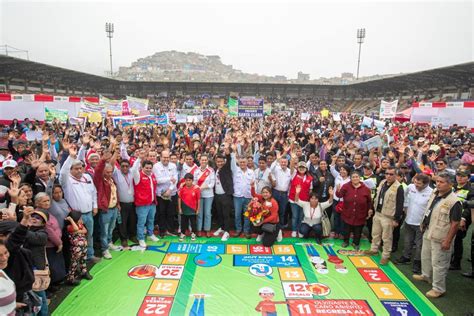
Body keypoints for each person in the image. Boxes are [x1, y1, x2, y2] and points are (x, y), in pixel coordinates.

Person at [413, 172, 462, 298]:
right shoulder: (435, 193)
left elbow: (455, 223)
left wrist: (448, 240)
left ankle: (438, 288)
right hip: (429, 230)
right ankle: (426, 275)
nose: (438, 184)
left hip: (441, 236)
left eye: (442, 182)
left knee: (439, 263)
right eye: (437, 181)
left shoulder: (454, 201)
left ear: (450, 184)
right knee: (426, 256)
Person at [59, 144, 100, 263]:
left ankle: (90, 255)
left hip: (89, 213)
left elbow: (93, 192)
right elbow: (62, 173)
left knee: (90, 235)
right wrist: (71, 157)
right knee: (77, 238)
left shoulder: (87, 177)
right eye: (75, 168)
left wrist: (95, 206)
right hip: (76, 216)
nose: (79, 170)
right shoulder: (67, 180)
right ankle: (79, 260)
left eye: (80, 168)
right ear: (70, 169)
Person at [365, 166, 404, 265]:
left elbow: (400, 204)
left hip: (388, 216)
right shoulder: (382, 183)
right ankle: (374, 249)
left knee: (387, 237)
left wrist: (396, 220)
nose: (388, 176)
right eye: (387, 174)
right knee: (375, 233)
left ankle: (386, 255)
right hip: (378, 213)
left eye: (391, 174)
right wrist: (371, 208)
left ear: (396, 175)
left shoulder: (399, 187)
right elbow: (375, 197)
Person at [0, 208, 35, 313]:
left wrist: (13, 305)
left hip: (24, 293)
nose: (4, 258)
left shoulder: (17, 251)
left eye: (6, 253)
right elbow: (16, 238)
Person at [397, 174, 433, 275]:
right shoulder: (410, 187)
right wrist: (405, 207)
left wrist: (426, 222)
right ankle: (406, 257)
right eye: (415, 182)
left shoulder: (431, 193)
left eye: (419, 184)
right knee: (407, 241)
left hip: (421, 224)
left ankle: (417, 262)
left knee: (419, 245)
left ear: (426, 184)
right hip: (409, 220)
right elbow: (404, 197)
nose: (416, 185)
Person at [93, 150, 120, 260]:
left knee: (111, 228)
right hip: (106, 210)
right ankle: (104, 249)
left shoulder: (112, 180)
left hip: (114, 208)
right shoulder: (99, 180)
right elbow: (98, 170)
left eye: (110, 172)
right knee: (104, 230)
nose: (109, 174)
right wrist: (103, 160)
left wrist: (117, 204)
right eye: (107, 172)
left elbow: (115, 193)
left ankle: (109, 242)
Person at [335, 172, 372, 250]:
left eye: (357, 177)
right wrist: (337, 191)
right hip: (347, 212)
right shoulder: (346, 186)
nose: (355, 178)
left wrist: (370, 209)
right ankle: (346, 241)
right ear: (351, 179)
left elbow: (369, 201)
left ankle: (356, 243)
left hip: (360, 213)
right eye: (353, 177)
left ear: (359, 178)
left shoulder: (366, 189)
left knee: (358, 230)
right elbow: (339, 195)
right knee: (346, 229)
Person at [132, 150, 160, 248]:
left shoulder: (152, 175)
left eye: (150, 168)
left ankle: (150, 234)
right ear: (142, 167)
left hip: (152, 203)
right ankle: (140, 238)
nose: (148, 169)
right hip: (142, 204)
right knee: (141, 222)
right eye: (146, 168)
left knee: (151, 220)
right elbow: (133, 170)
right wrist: (139, 158)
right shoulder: (138, 175)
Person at [23, 208, 49, 316]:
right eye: (33, 216)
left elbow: (32, 238)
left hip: (35, 270)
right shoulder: (27, 229)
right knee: (30, 299)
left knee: (39, 297)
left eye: (38, 218)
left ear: (43, 222)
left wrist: (23, 226)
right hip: (24, 269)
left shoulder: (43, 234)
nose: (34, 219)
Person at [450, 169, 473, 270]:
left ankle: (456, 263)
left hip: (462, 218)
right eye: (458, 175)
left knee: (458, 240)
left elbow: (470, 207)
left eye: (463, 176)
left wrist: (463, 218)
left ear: (468, 178)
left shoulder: (471, 190)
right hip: (451, 216)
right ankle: (450, 258)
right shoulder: (453, 186)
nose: (459, 177)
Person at [153, 149, 178, 238]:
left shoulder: (173, 165)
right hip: (160, 194)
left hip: (172, 193)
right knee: (161, 213)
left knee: (171, 213)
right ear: (160, 157)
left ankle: (170, 230)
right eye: (164, 157)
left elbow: (175, 179)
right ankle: (162, 230)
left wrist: (170, 190)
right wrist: (169, 178)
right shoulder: (156, 166)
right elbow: (157, 180)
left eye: (168, 157)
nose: (166, 159)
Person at [231, 146, 255, 239]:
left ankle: (246, 231)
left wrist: (253, 196)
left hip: (248, 197)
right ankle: (238, 230)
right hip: (237, 196)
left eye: (244, 162)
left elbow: (254, 185)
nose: (242, 164)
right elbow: (233, 162)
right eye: (240, 162)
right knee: (237, 214)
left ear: (247, 162)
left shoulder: (251, 172)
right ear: (238, 163)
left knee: (247, 215)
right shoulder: (235, 170)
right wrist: (233, 152)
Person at [113, 159, 137, 248]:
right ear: (120, 167)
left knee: (132, 221)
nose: (125, 168)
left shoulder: (132, 173)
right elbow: (111, 164)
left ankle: (132, 236)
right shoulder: (116, 174)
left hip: (132, 202)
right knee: (122, 222)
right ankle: (123, 239)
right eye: (123, 166)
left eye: (127, 166)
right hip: (122, 204)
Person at [65, 211, 93, 286]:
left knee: (83, 259)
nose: (81, 219)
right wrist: (71, 220)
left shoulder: (80, 224)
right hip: (76, 248)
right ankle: (70, 278)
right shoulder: (69, 226)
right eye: (79, 218)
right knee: (74, 262)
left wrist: (78, 231)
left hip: (83, 246)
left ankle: (84, 272)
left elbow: (85, 230)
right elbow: (75, 228)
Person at [212, 150, 234, 241]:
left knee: (226, 214)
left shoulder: (226, 168)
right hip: (217, 195)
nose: (220, 163)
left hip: (226, 195)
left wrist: (228, 153)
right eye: (218, 161)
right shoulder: (215, 169)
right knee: (220, 213)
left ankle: (227, 231)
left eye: (221, 161)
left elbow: (228, 159)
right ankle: (221, 228)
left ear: (224, 162)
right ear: (216, 162)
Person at [288, 161, 313, 238]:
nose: (301, 169)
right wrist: (293, 159)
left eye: (303, 167)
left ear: (306, 169)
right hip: (293, 199)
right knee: (295, 216)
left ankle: (300, 230)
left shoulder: (310, 178)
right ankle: (294, 230)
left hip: (304, 201)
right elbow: (291, 167)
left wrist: (309, 200)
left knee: (301, 216)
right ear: (297, 168)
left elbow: (310, 190)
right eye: (300, 167)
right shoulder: (293, 174)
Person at [193, 155, 215, 237]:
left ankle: (207, 229)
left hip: (209, 195)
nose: (204, 161)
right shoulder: (196, 170)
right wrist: (196, 189)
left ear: (207, 161)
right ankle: (199, 229)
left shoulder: (211, 170)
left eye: (205, 160)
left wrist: (202, 187)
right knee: (199, 213)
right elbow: (194, 182)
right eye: (202, 160)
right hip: (199, 195)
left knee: (207, 213)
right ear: (200, 160)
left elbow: (212, 184)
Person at [331, 162, 351, 239]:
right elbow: (332, 169)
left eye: (344, 170)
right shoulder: (337, 176)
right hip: (336, 200)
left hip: (345, 201)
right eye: (341, 169)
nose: (342, 171)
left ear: (348, 171)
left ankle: (342, 233)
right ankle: (336, 232)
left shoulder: (350, 180)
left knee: (343, 218)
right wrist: (333, 160)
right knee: (336, 217)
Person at [178, 173, 200, 242]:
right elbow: (179, 198)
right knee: (183, 223)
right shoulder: (182, 188)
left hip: (193, 209)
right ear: (185, 181)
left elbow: (198, 199)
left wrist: (198, 209)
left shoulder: (196, 189)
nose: (188, 182)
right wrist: (180, 208)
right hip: (184, 209)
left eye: (190, 180)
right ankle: (183, 233)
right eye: (186, 180)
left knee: (193, 223)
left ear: (192, 180)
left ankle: (193, 234)